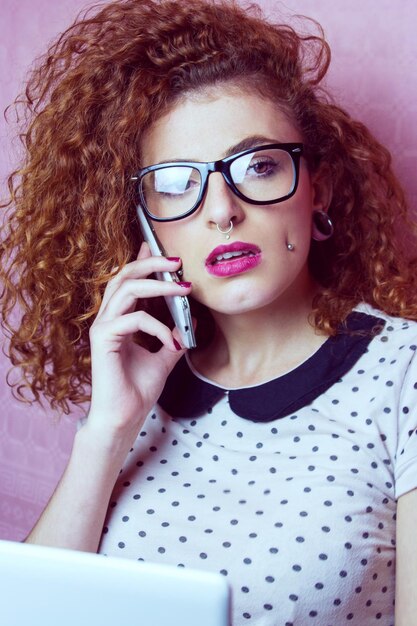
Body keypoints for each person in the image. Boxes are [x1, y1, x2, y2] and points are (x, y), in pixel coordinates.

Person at [1, 0, 417, 624]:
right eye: (174, 183)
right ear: (143, 223)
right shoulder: (144, 386)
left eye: (259, 166)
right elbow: (31, 615)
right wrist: (108, 431)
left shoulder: (402, 373)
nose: (221, 210)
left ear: (318, 189)